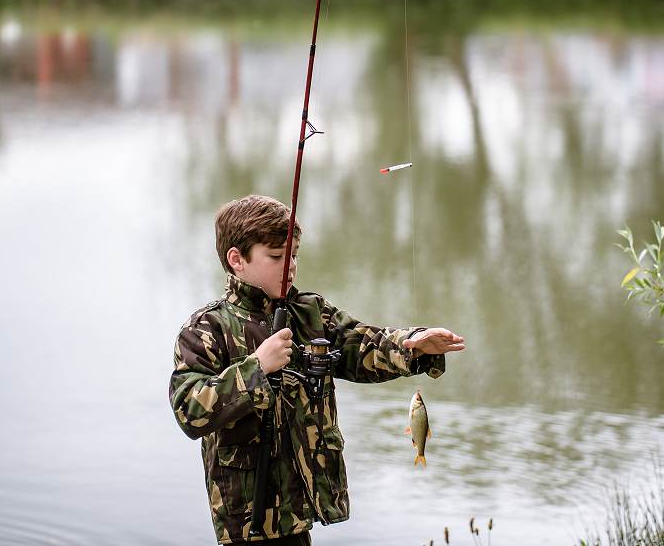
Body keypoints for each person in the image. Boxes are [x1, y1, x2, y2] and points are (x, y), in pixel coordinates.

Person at [168, 194, 465, 545]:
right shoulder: (205, 328)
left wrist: (412, 344)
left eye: (293, 255)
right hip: (246, 521)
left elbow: (361, 345)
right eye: (277, 257)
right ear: (237, 260)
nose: (290, 266)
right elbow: (189, 411)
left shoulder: (310, 313)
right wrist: (257, 368)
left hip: (300, 512)